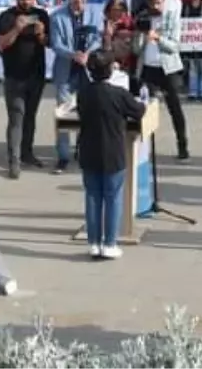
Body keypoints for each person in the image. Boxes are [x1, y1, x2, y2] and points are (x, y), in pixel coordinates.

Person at [76, 49, 148, 260]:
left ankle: (94, 242)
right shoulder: (118, 93)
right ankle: (109, 242)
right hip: (112, 152)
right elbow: (139, 110)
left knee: (92, 197)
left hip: (88, 150)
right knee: (113, 197)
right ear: (110, 70)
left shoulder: (83, 92)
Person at [0, 0, 50, 177]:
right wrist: (16, 30)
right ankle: (14, 161)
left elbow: (49, 43)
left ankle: (27, 153)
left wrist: (42, 34)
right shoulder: (6, 17)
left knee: (30, 117)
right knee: (16, 118)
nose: (26, 2)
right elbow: (1, 45)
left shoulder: (41, 15)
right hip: (14, 77)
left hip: (36, 75)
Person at [50, 0, 103, 173]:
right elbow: (56, 44)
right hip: (66, 71)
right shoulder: (57, 17)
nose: (78, 0)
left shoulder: (94, 14)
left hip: (88, 72)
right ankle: (63, 156)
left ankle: (83, 151)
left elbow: (98, 38)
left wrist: (88, 54)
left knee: (88, 114)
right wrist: (74, 55)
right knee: (63, 115)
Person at [134, 0, 190, 161]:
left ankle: (182, 146)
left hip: (168, 69)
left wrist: (158, 38)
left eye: (158, 3)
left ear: (163, 1)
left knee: (175, 108)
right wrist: (142, 36)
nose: (155, 7)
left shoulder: (171, 17)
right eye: (152, 4)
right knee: (143, 109)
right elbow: (136, 49)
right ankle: (143, 149)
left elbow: (175, 46)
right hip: (148, 69)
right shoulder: (143, 17)